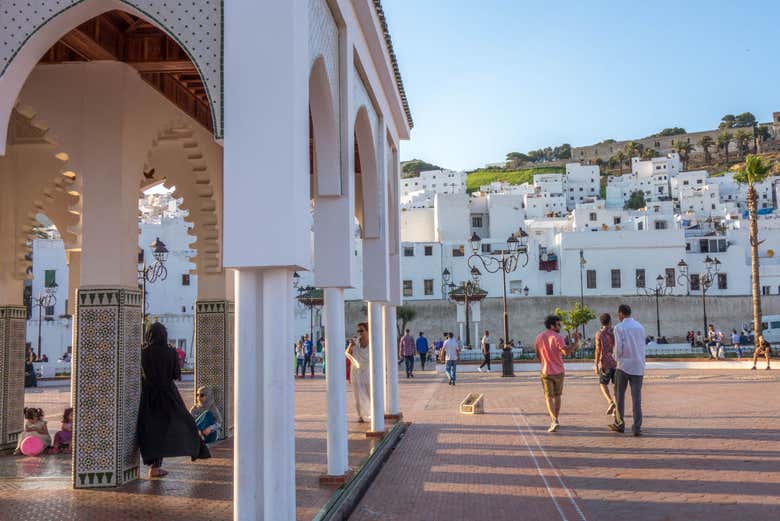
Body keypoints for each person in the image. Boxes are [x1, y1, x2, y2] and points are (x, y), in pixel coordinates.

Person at [137, 322, 209, 478]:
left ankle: (153, 466)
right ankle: (197, 449)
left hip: (149, 396)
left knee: (151, 430)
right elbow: (176, 374)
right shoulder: (170, 352)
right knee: (183, 423)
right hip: (168, 395)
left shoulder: (143, 352)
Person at [534, 315, 580, 433]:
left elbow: (538, 354)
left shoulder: (539, 337)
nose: (560, 327)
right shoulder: (558, 337)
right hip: (559, 371)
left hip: (545, 371)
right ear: (552, 325)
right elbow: (566, 352)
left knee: (548, 396)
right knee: (557, 395)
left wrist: (544, 362)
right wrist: (575, 343)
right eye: (558, 324)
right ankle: (556, 419)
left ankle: (554, 420)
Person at [609, 304, 646, 436]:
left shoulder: (619, 327)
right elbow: (642, 346)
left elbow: (619, 347)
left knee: (619, 396)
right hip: (638, 365)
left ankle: (620, 424)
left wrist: (615, 358)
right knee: (637, 398)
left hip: (624, 365)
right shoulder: (640, 327)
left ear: (621, 314)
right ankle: (637, 427)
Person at [346, 323, 371, 422]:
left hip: (367, 371)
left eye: (362, 331)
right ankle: (360, 416)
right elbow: (347, 353)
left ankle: (372, 413)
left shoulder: (372, 343)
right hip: (356, 372)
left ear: (367, 331)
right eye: (358, 331)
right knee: (357, 395)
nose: (360, 333)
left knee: (369, 394)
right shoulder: (355, 342)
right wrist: (350, 345)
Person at [594, 313, 617, 416]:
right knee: (616, 386)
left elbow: (598, 350)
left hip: (605, 363)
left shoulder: (599, 334)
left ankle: (610, 401)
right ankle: (616, 407)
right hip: (617, 362)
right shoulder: (616, 332)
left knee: (603, 384)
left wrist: (596, 364)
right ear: (610, 321)